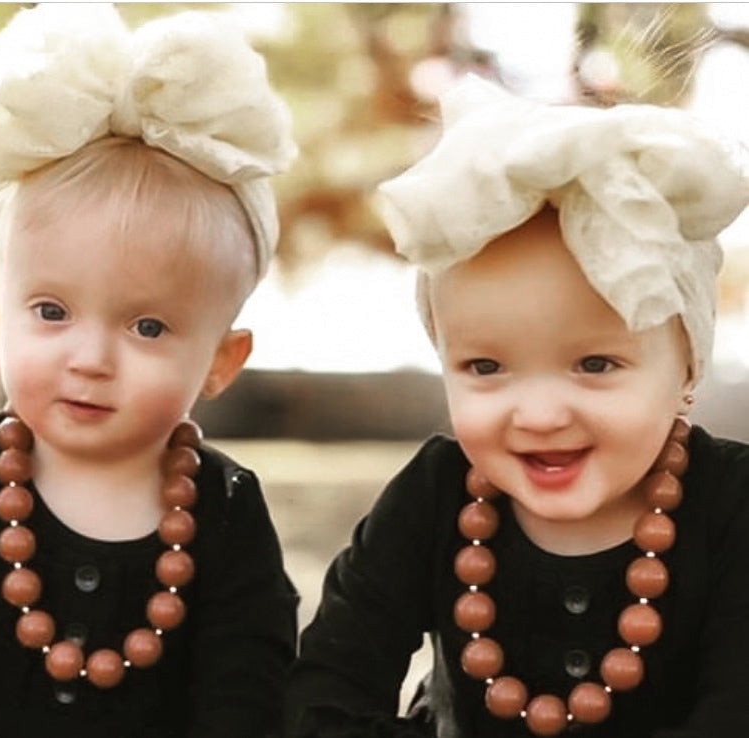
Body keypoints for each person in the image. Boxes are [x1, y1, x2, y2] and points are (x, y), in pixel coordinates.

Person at [286, 76, 749, 738]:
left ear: (688, 369)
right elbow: (330, 688)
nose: (538, 414)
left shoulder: (729, 505)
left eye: (595, 365)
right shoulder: (438, 492)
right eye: (485, 367)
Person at [0, 4, 298, 737]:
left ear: (221, 362)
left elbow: (247, 687)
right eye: (52, 313)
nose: (89, 360)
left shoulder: (222, 508)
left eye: (148, 326)